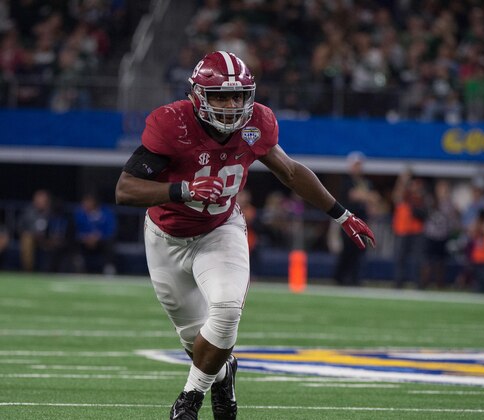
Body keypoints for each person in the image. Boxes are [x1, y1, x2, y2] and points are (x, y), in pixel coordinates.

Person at [115, 50, 375, 420]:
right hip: (166, 236)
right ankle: (223, 378)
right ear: (197, 95)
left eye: (238, 95)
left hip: (220, 229)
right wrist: (184, 189)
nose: (231, 104)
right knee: (196, 342)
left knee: (225, 310)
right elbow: (126, 189)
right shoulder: (172, 124)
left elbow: (289, 171)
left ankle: (188, 401)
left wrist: (342, 213)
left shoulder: (257, 124)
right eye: (220, 95)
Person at [332, 151, 374, 286]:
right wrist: (367, 196)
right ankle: (340, 277)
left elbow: (373, 199)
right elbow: (355, 196)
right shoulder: (347, 181)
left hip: (361, 222)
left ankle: (354, 278)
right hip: (349, 222)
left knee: (359, 251)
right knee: (347, 250)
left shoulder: (364, 182)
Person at [391, 169, 429, 289]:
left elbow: (423, 200)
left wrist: (412, 187)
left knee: (418, 259)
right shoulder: (402, 189)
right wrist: (402, 183)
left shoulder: (418, 186)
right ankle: (398, 284)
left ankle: (419, 284)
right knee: (400, 258)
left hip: (416, 229)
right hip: (402, 229)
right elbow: (396, 198)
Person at [73, 192, 117, 274]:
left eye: (88, 202)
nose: (86, 204)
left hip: (101, 240)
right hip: (85, 241)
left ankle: (109, 267)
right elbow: (77, 229)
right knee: (74, 243)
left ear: (94, 202)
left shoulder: (106, 212)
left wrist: (99, 237)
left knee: (110, 244)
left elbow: (111, 229)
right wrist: (86, 237)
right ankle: (79, 266)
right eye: (85, 202)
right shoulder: (80, 213)